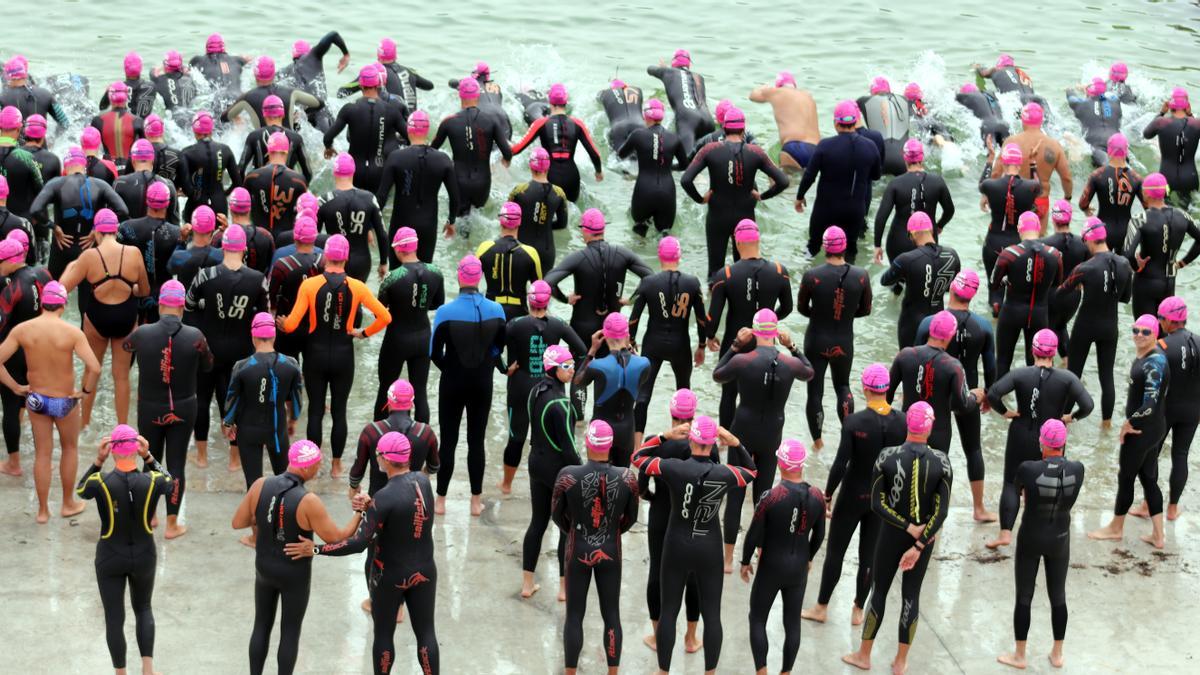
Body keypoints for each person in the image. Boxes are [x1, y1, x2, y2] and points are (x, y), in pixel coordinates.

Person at [285, 432, 439, 675]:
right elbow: (406, 515)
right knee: (426, 633)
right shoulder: (423, 481)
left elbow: (358, 543)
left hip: (390, 575)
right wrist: (371, 509)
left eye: (378, 454)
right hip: (426, 570)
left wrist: (314, 549)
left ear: (386, 460)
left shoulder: (384, 497)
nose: (376, 458)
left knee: (384, 635)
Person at [231, 440, 367, 675]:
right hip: (294, 572)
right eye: (317, 465)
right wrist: (359, 513)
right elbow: (337, 537)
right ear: (305, 468)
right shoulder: (308, 501)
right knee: (290, 631)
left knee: (261, 625)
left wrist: (265, 519)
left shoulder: (261, 484)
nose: (318, 469)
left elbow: (238, 522)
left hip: (264, 567)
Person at [633, 416, 756, 674]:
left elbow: (639, 459)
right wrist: (734, 442)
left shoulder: (675, 468)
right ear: (713, 445)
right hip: (709, 548)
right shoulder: (724, 473)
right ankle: (709, 672)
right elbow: (752, 471)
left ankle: (663, 671)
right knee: (712, 615)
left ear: (690, 440)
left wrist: (665, 436)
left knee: (669, 611)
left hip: (676, 544)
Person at [842, 402, 951, 675]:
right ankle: (901, 662)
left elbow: (878, 504)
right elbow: (941, 512)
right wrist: (919, 542)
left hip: (890, 535)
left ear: (907, 426)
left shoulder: (886, 456)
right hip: (923, 542)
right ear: (930, 426)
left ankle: (864, 656)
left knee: (879, 591)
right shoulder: (942, 462)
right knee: (911, 596)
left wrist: (906, 527)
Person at [803, 365, 906, 626]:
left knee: (836, 552)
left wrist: (827, 494)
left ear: (865, 389)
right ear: (886, 389)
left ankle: (822, 607)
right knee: (869, 555)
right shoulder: (903, 422)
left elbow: (840, 464)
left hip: (852, 494)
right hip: (882, 498)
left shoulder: (854, 422)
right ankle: (859, 609)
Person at [281, 235, 390, 477]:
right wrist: (363, 334)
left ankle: (312, 463)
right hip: (343, 354)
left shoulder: (309, 285)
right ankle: (337, 465)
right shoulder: (358, 286)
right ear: (347, 258)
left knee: (316, 411)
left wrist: (280, 322)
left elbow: (290, 326)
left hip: (315, 355)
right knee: (339, 411)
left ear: (326, 257)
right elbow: (385, 317)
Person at [713, 311, 814, 570]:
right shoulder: (790, 364)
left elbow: (718, 374)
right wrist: (792, 346)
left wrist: (735, 345)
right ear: (776, 332)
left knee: (736, 493)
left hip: (742, 432)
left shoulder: (743, 360)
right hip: (772, 433)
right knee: (764, 495)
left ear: (754, 332)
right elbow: (810, 372)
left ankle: (727, 559)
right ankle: (759, 552)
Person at [0, 281, 101, 523]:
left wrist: (15, 387)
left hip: (36, 400)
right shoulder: (72, 333)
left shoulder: (23, 329)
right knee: (69, 449)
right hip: (64, 401)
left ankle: (43, 511)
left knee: (42, 454)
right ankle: (67, 504)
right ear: (63, 305)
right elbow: (95, 367)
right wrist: (85, 392)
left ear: (43, 304)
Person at [76, 425, 172, 675]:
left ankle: (121, 673)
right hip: (144, 555)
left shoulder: (100, 481)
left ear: (113, 450)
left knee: (114, 617)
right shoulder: (152, 481)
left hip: (110, 556)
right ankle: (148, 669)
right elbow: (170, 481)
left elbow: (80, 489)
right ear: (136, 448)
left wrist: (98, 460)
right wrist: (149, 457)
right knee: (144, 608)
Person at [985, 329, 1093, 549]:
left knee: (1011, 483)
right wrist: (1070, 418)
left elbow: (994, 393)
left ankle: (1005, 533)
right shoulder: (1067, 378)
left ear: (1032, 350)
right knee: (1050, 482)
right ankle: (1046, 527)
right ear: (1054, 353)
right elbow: (1088, 405)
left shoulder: (1019, 374)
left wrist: (1006, 412)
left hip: (1021, 432)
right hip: (1052, 437)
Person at [122, 280, 212, 538]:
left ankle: (149, 517)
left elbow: (124, 347)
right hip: (184, 407)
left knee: (150, 461)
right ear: (183, 307)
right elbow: (208, 365)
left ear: (160, 304)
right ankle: (172, 524)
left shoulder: (142, 334)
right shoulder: (196, 337)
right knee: (176, 464)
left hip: (150, 408)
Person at [552, 419, 640, 674]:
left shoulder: (568, 475)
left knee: (574, 616)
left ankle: (570, 672)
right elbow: (631, 518)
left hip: (578, 546)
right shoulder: (627, 477)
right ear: (610, 445)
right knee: (611, 613)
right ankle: (613, 672)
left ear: (587, 443)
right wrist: (610, 532)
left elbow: (557, 515)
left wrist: (575, 530)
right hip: (611, 548)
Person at [996, 419, 1085, 670]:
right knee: (1058, 596)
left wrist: (1006, 527)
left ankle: (1020, 655)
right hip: (1060, 538)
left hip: (1031, 537)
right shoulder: (1078, 468)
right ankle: (1057, 654)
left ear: (1042, 443)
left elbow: (1016, 493)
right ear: (1064, 443)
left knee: (1024, 596)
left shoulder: (1027, 468)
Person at [889, 311, 990, 519]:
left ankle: (901, 514)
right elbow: (962, 406)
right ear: (950, 336)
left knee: (904, 472)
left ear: (929, 331)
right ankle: (933, 523)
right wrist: (975, 396)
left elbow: (887, 396)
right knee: (935, 477)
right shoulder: (953, 366)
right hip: (938, 430)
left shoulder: (905, 355)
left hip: (907, 426)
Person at [915, 269, 998, 521]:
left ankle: (929, 509)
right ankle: (979, 509)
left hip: (933, 393)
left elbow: (916, 357)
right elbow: (991, 366)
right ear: (973, 296)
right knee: (973, 449)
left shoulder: (930, 323)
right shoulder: (983, 326)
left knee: (934, 452)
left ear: (951, 288)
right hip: (968, 393)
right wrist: (988, 396)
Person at [186, 223, 268, 470]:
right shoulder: (257, 279)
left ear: (221, 247)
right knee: (235, 404)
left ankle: (201, 457)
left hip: (209, 348)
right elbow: (263, 318)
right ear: (244, 249)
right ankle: (234, 460)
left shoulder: (205, 275)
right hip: (241, 350)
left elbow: (188, 306)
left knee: (202, 400)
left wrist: (206, 307)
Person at [58, 208, 150, 426]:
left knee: (92, 370)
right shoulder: (134, 253)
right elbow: (144, 291)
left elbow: (60, 292)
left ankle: (84, 424)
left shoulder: (89, 257)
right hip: (126, 319)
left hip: (97, 319)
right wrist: (129, 288)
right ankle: (122, 428)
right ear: (116, 230)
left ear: (96, 232)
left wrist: (72, 266)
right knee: (121, 377)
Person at [740, 440, 824, 675]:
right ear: (802, 465)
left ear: (780, 463)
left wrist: (745, 562)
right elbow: (819, 535)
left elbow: (753, 534)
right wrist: (809, 558)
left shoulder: (771, 496)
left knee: (757, 618)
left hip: (771, 566)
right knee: (792, 623)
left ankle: (762, 671)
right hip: (798, 568)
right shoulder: (817, 495)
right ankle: (785, 672)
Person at [431, 255, 506, 516]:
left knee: (448, 441)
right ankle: (476, 502)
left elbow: (433, 352)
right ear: (480, 278)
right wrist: (485, 365)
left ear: (459, 276)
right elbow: (499, 347)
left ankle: (440, 501)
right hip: (482, 384)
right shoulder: (497, 310)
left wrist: (450, 369)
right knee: (477, 441)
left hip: (452, 383)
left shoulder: (444, 312)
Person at [1088, 315, 1171, 549]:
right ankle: (1158, 535)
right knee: (1148, 478)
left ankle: (1116, 528)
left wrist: (1128, 424)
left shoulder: (1154, 362)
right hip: (1154, 429)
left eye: (1145, 332)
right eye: (1136, 330)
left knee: (1126, 478)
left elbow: (1149, 404)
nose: (1139, 335)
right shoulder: (1151, 358)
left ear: (1156, 334)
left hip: (1140, 432)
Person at [499, 281, 586, 492]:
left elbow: (494, 348)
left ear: (529, 300)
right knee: (554, 439)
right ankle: (555, 485)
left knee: (516, 437)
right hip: (551, 389)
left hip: (520, 386)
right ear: (548, 302)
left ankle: (506, 485)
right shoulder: (558, 324)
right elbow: (582, 350)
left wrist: (504, 368)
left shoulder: (514, 324)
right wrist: (572, 373)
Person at [705, 219, 793, 426]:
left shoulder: (725, 274)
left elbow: (713, 318)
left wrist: (709, 337)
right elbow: (788, 308)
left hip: (736, 342)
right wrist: (767, 324)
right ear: (758, 240)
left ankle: (726, 441)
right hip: (765, 345)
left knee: (729, 395)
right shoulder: (780, 271)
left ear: (736, 243)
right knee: (762, 397)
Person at [682, 106, 789, 276]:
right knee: (744, 271)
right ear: (743, 129)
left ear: (723, 128)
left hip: (717, 216)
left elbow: (686, 180)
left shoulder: (709, 150)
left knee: (714, 273)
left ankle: (714, 298)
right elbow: (783, 181)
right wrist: (762, 196)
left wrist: (700, 199)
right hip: (745, 218)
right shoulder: (756, 152)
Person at [637, 389, 704, 653]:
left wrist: (652, 496)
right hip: (692, 519)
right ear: (694, 415)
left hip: (662, 515)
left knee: (657, 573)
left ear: (671, 414)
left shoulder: (658, 443)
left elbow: (641, 480)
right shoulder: (704, 446)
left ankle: (657, 636)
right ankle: (690, 638)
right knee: (693, 575)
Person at [799, 226, 872, 449]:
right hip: (844, 341)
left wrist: (821, 315)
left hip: (816, 340)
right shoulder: (861, 276)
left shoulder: (812, 276)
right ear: (845, 247)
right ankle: (848, 436)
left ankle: (818, 442)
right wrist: (846, 315)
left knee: (815, 391)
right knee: (843, 386)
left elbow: (802, 308)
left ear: (824, 247)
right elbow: (866, 309)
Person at [629, 237, 706, 442]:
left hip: (653, 343)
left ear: (659, 256)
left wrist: (631, 341)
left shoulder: (648, 282)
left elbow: (634, 318)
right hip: (680, 345)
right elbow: (701, 319)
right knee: (684, 393)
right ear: (679, 257)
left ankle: (637, 449)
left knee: (643, 397)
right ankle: (687, 443)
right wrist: (702, 345)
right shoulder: (692, 283)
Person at [544, 209, 652, 350]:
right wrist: (631, 299)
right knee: (609, 370)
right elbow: (650, 277)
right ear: (603, 229)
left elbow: (547, 283)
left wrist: (565, 299)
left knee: (578, 370)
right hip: (613, 330)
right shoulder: (622, 254)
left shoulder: (578, 257)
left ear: (585, 230)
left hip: (582, 328)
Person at [520, 344, 579, 600]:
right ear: (553, 369)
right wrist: (581, 472)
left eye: (573, 364)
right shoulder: (562, 404)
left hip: (535, 463)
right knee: (567, 526)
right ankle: (564, 589)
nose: (572, 369)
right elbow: (569, 447)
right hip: (558, 469)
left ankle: (527, 584)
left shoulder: (535, 391)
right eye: (567, 366)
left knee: (538, 522)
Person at [1060, 219, 1132, 424]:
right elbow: (1126, 298)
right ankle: (1107, 423)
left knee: (1073, 373)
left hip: (1085, 325)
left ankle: (1063, 418)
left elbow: (1061, 293)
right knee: (1106, 376)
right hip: (1110, 326)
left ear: (1088, 240)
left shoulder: (1085, 268)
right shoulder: (1125, 264)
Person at [794, 101, 881, 263]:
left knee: (813, 245)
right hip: (854, 211)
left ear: (835, 123)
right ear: (855, 122)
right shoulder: (870, 146)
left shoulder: (825, 145)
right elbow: (876, 176)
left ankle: (804, 276)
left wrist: (800, 197)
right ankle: (850, 282)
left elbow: (809, 176)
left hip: (825, 209)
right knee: (850, 249)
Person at [224, 314, 304, 490]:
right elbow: (298, 400)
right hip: (277, 429)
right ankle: (280, 515)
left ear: (253, 336)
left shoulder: (241, 366)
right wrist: (293, 420)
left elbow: (232, 399)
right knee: (285, 482)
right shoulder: (291, 364)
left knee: (254, 486)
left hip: (248, 430)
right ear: (274, 335)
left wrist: (228, 423)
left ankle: (256, 516)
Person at [374, 228, 444, 423]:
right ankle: (421, 439)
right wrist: (418, 305)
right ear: (416, 246)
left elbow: (378, 311)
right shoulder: (436, 273)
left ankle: (380, 439)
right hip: (423, 337)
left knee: (385, 388)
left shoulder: (392, 277)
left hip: (396, 339)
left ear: (397, 249)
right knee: (420, 393)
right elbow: (437, 303)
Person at [28, 146, 128, 281]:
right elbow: (123, 210)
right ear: (84, 165)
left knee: (54, 292)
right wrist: (96, 229)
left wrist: (54, 227)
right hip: (89, 247)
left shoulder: (55, 184)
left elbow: (35, 210)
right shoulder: (100, 185)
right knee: (88, 294)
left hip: (62, 247)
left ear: (65, 165)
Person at [376, 110, 457, 265]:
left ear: (408, 129)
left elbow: (382, 196)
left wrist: (372, 224)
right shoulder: (443, 160)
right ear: (427, 131)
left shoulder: (396, 157)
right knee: (424, 274)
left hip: (401, 224)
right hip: (428, 226)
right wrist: (451, 220)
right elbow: (454, 196)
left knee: (397, 275)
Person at [991, 212, 1065, 378]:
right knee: (1036, 365)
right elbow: (1056, 284)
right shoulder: (1055, 254)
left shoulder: (1009, 254)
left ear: (1019, 228)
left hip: (1012, 312)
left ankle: (997, 401)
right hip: (1039, 314)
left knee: (1003, 361)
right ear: (1039, 228)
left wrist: (1006, 281)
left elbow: (994, 284)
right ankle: (1033, 401)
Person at [0, 238, 51, 477]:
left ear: (9, 262)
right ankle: (45, 457)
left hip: (15, 350)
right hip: (42, 347)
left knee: (11, 404)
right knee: (37, 401)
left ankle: (14, 463)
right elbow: (57, 303)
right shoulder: (44, 273)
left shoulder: (12, 290)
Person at [575, 313, 652, 468]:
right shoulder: (644, 363)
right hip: (627, 430)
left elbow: (578, 382)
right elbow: (641, 380)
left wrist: (592, 350)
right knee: (621, 480)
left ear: (604, 336)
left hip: (601, 431)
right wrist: (630, 348)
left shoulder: (597, 366)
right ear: (628, 336)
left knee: (596, 478)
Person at [1146, 297, 1198, 520]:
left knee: (1151, 454)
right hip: (1194, 409)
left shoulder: (1162, 347)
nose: (1159, 323)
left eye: (1160, 318)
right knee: (1181, 455)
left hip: (1167, 409)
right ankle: (1173, 508)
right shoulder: (1198, 340)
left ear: (1169, 320)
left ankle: (1147, 504)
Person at [432, 78, 512, 218]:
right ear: (478, 96)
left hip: (458, 181)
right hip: (483, 183)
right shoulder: (491, 121)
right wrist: (506, 160)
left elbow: (432, 151)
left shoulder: (448, 122)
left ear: (460, 95)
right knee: (478, 218)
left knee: (460, 222)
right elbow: (507, 151)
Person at [1123, 172, 1200, 317]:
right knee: (1164, 335)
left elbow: (1127, 253)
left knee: (1145, 330)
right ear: (1165, 191)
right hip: (1169, 283)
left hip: (1146, 281)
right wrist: (1183, 262)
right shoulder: (1182, 215)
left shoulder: (1140, 218)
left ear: (1146, 193)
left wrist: (1136, 267)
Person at [510, 83, 603, 203]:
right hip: (572, 178)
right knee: (568, 215)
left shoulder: (541, 123)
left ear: (550, 101)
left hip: (550, 177)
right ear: (566, 101)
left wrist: (506, 150)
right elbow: (594, 153)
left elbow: (517, 149)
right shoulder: (577, 124)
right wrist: (598, 172)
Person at [323, 65, 407, 196]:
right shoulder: (391, 111)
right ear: (378, 84)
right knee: (374, 208)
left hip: (354, 170)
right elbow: (409, 136)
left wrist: (329, 148)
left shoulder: (350, 109)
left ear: (361, 85)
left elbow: (328, 137)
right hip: (379, 170)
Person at [880, 212, 961, 348]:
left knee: (909, 363)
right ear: (930, 230)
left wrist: (904, 273)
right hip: (939, 322)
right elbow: (950, 288)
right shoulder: (953, 256)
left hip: (911, 323)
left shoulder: (906, 259)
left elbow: (885, 280)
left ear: (912, 234)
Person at [352, 379, 440, 501]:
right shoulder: (426, 433)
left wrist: (353, 487)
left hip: (377, 501)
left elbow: (357, 471)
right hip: (411, 502)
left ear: (389, 402)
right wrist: (423, 474)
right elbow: (434, 466)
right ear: (412, 404)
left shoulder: (371, 431)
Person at [990, 102, 1071, 228]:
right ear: (1041, 120)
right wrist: (1067, 197)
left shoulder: (1011, 142)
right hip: (1040, 200)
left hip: (1015, 199)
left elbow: (996, 173)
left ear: (1023, 120)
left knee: (1014, 239)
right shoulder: (1054, 145)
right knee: (1038, 241)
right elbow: (1066, 177)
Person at [873, 139, 955, 263]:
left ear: (905, 158)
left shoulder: (895, 184)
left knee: (898, 280)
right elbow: (950, 210)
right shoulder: (938, 181)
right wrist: (939, 225)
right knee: (922, 280)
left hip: (899, 242)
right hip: (928, 241)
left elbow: (881, 217)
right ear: (922, 157)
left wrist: (877, 245)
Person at [618, 99, 687, 236]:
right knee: (665, 236)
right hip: (667, 192)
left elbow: (621, 154)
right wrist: (668, 167)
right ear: (662, 115)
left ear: (645, 115)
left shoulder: (638, 135)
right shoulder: (674, 138)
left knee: (639, 234)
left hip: (643, 191)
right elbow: (685, 165)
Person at [316, 154, 385, 281]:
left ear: (334, 172)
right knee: (357, 297)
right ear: (353, 172)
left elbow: (315, 237)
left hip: (334, 262)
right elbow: (382, 234)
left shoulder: (323, 200)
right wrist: (383, 263)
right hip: (362, 262)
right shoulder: (369, 198)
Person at [979, 141, 1042, 279]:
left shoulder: (991, 186)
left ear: (1002, 162)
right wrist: (1032, 162)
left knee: (994, 289)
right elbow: (1039, 187)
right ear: (1020, 164)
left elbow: (982, 184)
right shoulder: (1030, 187)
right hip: (1018, 246)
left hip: (993, 243)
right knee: (1014, 289)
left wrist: (991, 158)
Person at [474, 202, 543, 320]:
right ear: (520, 222)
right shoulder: (530, 253)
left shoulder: (484, 248)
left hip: (490, 311)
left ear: (501, 220)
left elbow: (471, 284)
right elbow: (539, 292)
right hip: (520, 312)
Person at [1078, 133, 1142, 255]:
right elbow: (1148, 208)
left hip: (1103, 229)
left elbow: (1082, 203)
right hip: (1126, 231)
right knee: (1122, 268)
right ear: (1126, 152)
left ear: (1108, 150)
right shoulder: (1136, 178)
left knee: (1102, 268)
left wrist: (1086, 209)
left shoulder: (1097, 175)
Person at [267, 215, 321, 359]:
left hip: (287, 325)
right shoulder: (325, 262)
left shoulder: (282, 265)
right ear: (315, 238)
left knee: (288, 375)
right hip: (315, 329)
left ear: (295, 238)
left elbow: (270, 298)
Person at [1040, 201, 1089, 361]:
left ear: (1053, 220)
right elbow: (1088, 270)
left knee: (1048, 332)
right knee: (1061, 328)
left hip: (1051, 295)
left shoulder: (1045, 244)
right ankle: (1068, 365)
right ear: (1070, 217)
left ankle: (1048, 372)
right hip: (1073, 297)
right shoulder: (1083, 244)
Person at [222, 56, 325, 130]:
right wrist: (302, 114)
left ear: (255, 74)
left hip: (262, 147)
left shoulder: (247, 97)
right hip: (289, 145)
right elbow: (320, 103)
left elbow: (225, 117)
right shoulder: (291, 93)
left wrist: (239, 119)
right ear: (273, 73)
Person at [240, 133, 309, 244]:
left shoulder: (252, 177)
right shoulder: (299, 180)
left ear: (268, 151)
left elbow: (242, 210)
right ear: (287, 152)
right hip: (286, 239)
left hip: (257, 238)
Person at [748, 71, 821, 171]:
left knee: (784, 183)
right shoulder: (808, 97)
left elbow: (753, 96)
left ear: (778, 86)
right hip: (816, 150)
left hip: (793, 147)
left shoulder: (777, 92)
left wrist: (763, 88)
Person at [647, 49, 715, 156]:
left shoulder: (668, 72)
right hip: (708, 121)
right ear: (689, 65)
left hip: (688, 121)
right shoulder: (699, 77)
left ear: (673, 62)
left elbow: (649, 69)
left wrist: (663, 70)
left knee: (686, 163)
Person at [1141, 87, 1199, 206]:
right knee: (1187, 214)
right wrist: (1191, 114)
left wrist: (1161, 113)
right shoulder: (1197, 123)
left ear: (1170, 104)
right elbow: (1192, 125)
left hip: (1167, 177)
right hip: (1190, 177)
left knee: (1166, 210)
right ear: (1187, 105)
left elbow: (1146, 134)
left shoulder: (1161, 122)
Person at [179, 111, 241, 220]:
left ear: (194, 129)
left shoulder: (187, 153)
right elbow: (237, 182)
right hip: (220, 203)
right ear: (211, 129)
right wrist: (224, 194)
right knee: (219, 236)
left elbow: (186, 188)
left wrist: (194, 195)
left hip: (196, 204)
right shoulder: (225, 150)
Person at [239, 95, 313, 181]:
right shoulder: (296, 138)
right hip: (288, 187)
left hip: (259, 187)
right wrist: (299, 188)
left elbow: (240, 169)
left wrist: (247, 188)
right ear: (283, 114)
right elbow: (308, 172)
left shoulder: (254, 136)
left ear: (264, 115)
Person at [114, 139, 179, 224]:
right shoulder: (168, 184)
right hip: (158, 235)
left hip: (129, 234)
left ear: (133, 161)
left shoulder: (119, 183)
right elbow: (175, 222)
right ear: (153, 160)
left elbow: (113, 219)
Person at [856, 76, 910, 176]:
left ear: (872, 93)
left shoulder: (864, 100)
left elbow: (848, 113)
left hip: (880, 160)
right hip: (903, 161)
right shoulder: (905, 100)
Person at [279, 32, 350, 106]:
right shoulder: (312, 57)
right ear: (309, 51)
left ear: (293, 55)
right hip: (321, 109)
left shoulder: (285, 71)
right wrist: (346, 54)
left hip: (304, 113)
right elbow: (333, 35)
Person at [0, 58, 70, 131]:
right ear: (25, 75)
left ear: (8, 77)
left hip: (13, 141)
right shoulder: (45, 94)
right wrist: (54, 139)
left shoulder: (3, 97)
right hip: (41, 141)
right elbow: (65, 123)